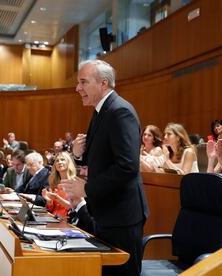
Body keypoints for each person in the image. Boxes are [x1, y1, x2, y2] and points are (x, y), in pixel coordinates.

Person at [59, 60, 149, 276]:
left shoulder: (120, 111)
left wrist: (87, 189)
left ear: (103, 83)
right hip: (106, 212)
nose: (77, 88)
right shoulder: (102, 110)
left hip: (122, 216)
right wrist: (79, 155)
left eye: (83, 82)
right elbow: (103, 157)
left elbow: (127, 166)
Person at [42, 152, 76, 219]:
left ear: (68, 163)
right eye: (57, 161)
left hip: (68, 220)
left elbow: (73, 207)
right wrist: (49, 201)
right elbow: (51, 209)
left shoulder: (74, 182)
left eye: (62, 160)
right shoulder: (55, 183)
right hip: (53, 218)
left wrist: (57, 198)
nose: (59, 162)